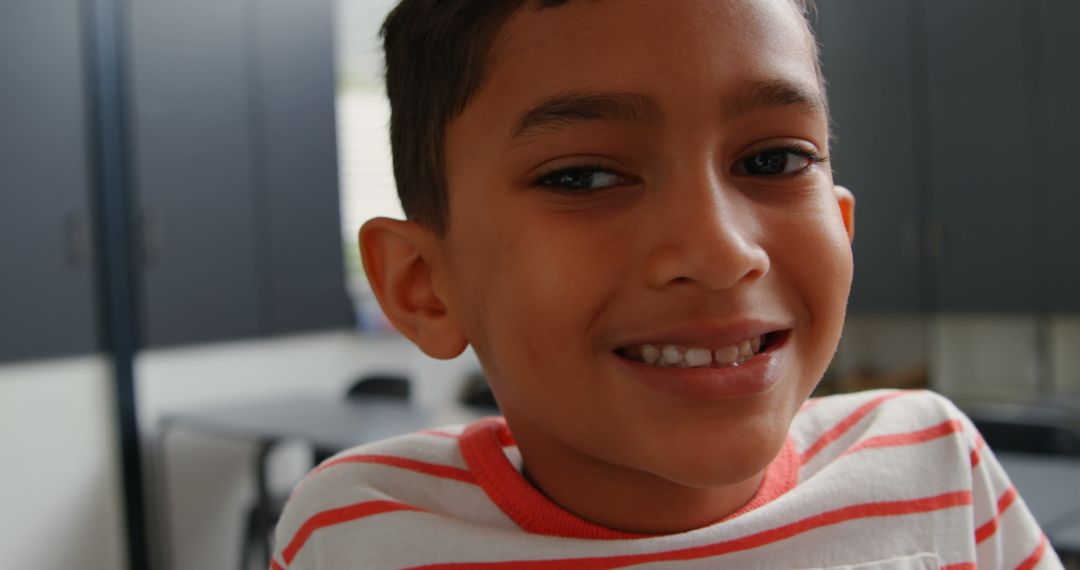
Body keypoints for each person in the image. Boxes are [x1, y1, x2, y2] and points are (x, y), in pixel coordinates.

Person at [271, 0, 1060, 567]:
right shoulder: (360, 530)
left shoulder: (932, 464)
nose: (720, 253)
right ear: (424, 287)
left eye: (774, 160)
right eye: (582, 176)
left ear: (843, 229)